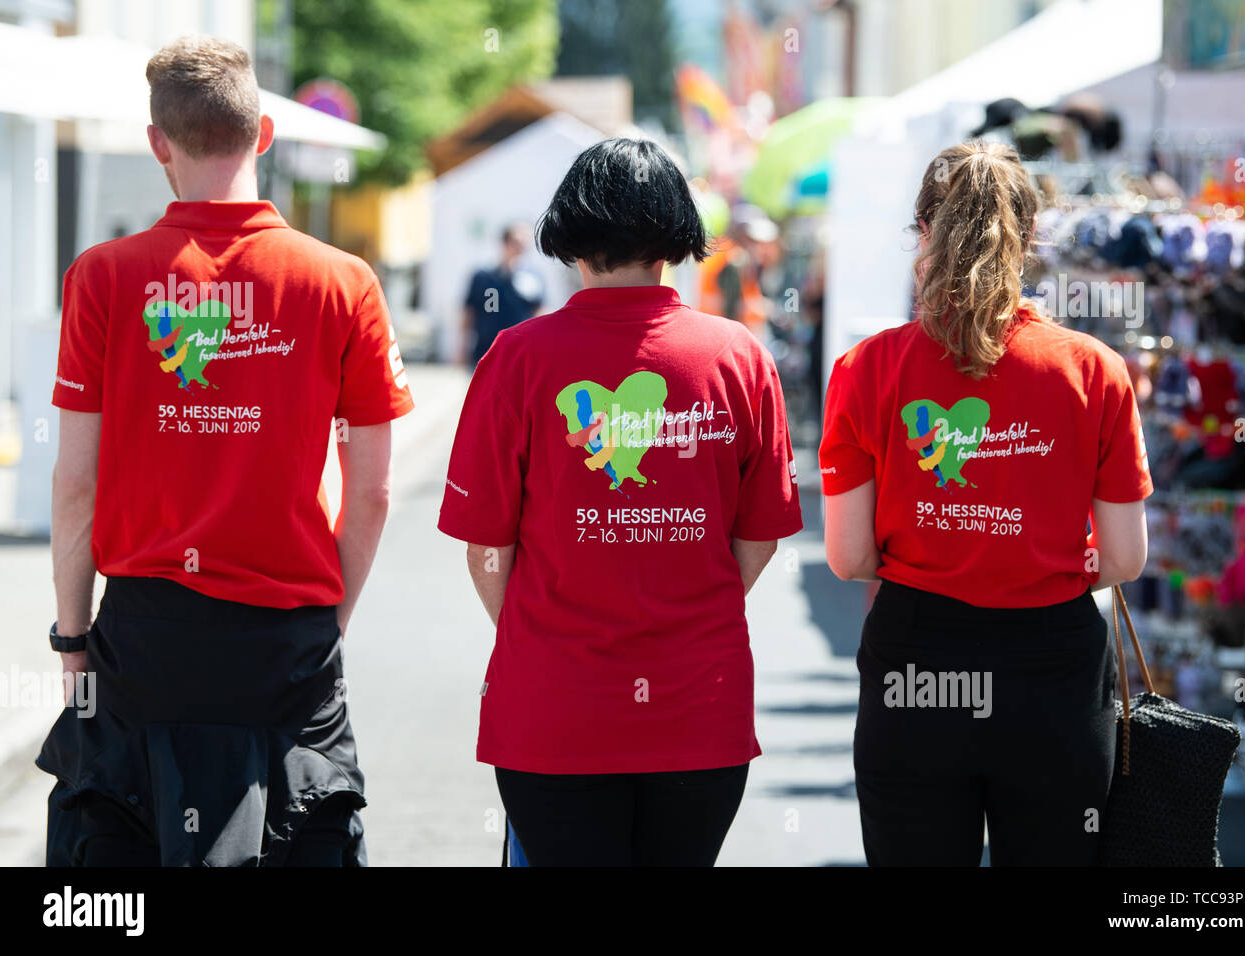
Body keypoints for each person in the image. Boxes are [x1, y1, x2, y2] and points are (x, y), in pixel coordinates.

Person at [40, 35, 414, 866]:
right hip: (288, 641)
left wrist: (73, 642)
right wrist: (329, 619)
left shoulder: (104, 277)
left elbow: (75, 483)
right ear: (266, 135)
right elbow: (375, 489)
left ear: (157, 143)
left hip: (143, 638)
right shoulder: (341, 281)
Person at [438, 138, 802, 867]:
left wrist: (540, 632)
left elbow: (486, 547)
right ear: (676, 235)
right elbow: (758, 538)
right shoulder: (740, 358)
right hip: (700, 709)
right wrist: (687, 600)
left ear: (570, 233)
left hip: (554, 709)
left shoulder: (516, 358)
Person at [819, 141, 1152, 866]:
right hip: (1054, 674)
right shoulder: (1094, 369)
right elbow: (1125, 558)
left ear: (924, 234)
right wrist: (1041, 556)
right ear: (1030, 237)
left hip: (917, 663)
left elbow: (847, 558)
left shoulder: (866, 369)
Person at [460, 222, 544, 367]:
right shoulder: (483, 276)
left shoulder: (532, 277)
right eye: (517, 243)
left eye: (524, 244)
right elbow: (469, 312)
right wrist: (462, 346)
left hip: (519, 352)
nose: (520, 249)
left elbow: (539, 311)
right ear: (505, 243)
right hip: (486, 350)